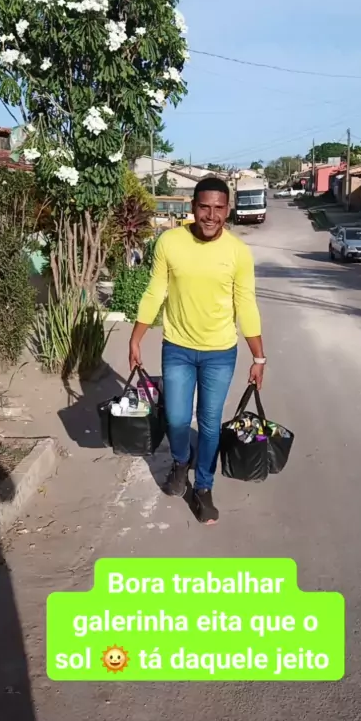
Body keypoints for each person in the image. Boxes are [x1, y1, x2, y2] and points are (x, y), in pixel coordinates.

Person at [129, 177, 266, 524]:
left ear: (228, 210)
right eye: (204, 207)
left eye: (219, 208)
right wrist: (136, 338)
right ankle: (180, 461)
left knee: (209, 424)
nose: (211, 215)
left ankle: (204, 486)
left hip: (220, 353)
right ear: (193, 207)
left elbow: (246, 304)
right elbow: (155, 291)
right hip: (177, 348)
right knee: (176, 418)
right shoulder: (169, 242)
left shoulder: (238, 252)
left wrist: (258, 356)